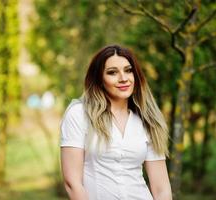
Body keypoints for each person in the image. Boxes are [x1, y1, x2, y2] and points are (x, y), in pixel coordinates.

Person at [60, 44, 172, 200]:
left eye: (128, 70)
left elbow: (161, 188)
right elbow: (72, 183)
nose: (123, 78)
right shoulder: (79, 114)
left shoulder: (148, 120)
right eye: (112, 73)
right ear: (99, 79)